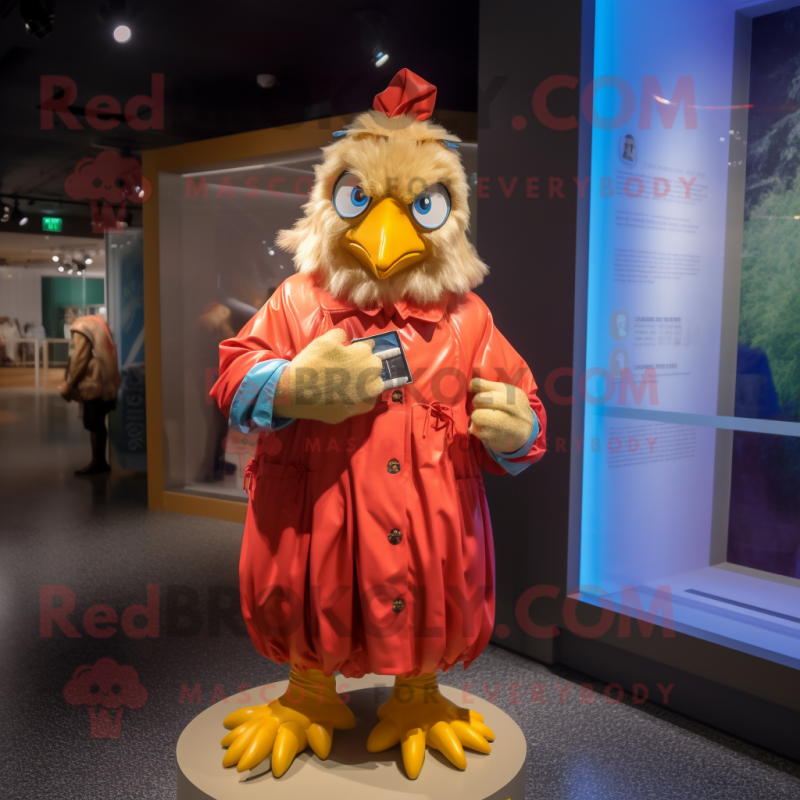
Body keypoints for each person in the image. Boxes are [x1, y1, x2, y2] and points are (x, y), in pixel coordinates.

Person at [58, 313, 121, 475]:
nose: (67, 317)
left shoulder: (82, 328)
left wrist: (69, 384)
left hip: (94, 384)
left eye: (69, 314)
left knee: (95, 423)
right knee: (97, 424)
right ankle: (99, 461)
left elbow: (80, 357)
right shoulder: (98, 324)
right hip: (106, 381)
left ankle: (98, 462)